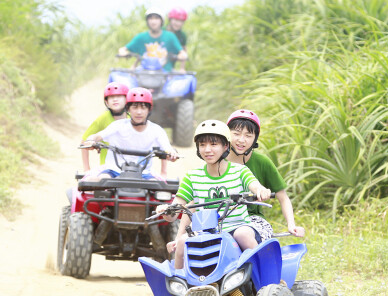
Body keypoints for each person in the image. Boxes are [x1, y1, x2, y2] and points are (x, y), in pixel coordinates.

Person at [156, 119, 271, 270]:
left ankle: (266, 278)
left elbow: (255, 186)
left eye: (213, 144)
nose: (207, 150)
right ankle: (180, 286)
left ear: (225, 146)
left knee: (243, 234)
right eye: (202, 145)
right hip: (205, 231)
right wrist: (166, 211)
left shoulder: (240, 171)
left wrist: (261, 191)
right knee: (183, 243)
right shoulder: (192, 177)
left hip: (237, 226)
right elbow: (174, 212)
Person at [226, 109, 305, 239]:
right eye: (237, 134)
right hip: (222, 218)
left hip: (252, 220)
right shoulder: (217, 162)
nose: (241, 140)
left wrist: (291, 224)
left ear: (255, 138)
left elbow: (283, 197)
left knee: (248, 237)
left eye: (248, 135)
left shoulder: (262, 162)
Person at [82, 87, 178, 180]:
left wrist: (171, 154)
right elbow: (97, 136)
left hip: (144, 174)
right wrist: (91, 140)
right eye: (135, 107)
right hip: (114, 171)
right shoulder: (118, 126)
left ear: (149, 109)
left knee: (158, 188)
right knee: (100, 181)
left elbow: (167, 148)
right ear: (128, 109)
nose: (139, 112)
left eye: (143, 108)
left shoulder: (157, 130)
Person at [118, 8, 187, 72]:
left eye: (156, 19)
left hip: (165, 72)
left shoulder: (171, 36)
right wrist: (126, 56)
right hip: (144, 71)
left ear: (161, 21)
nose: (153, 22)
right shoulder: (141, 37)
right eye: (150, 19)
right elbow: (140, 53)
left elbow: (183, 52)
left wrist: (181, 66)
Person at [81, 82, 129, 172]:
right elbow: (84, 141)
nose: (115, 99)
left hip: (130, 167)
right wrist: (86, 169)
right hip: (107, 167)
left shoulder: (132, 119)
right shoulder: (103, 118)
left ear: (127, 99)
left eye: (119, 96)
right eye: (111, 97)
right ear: (106, 102)